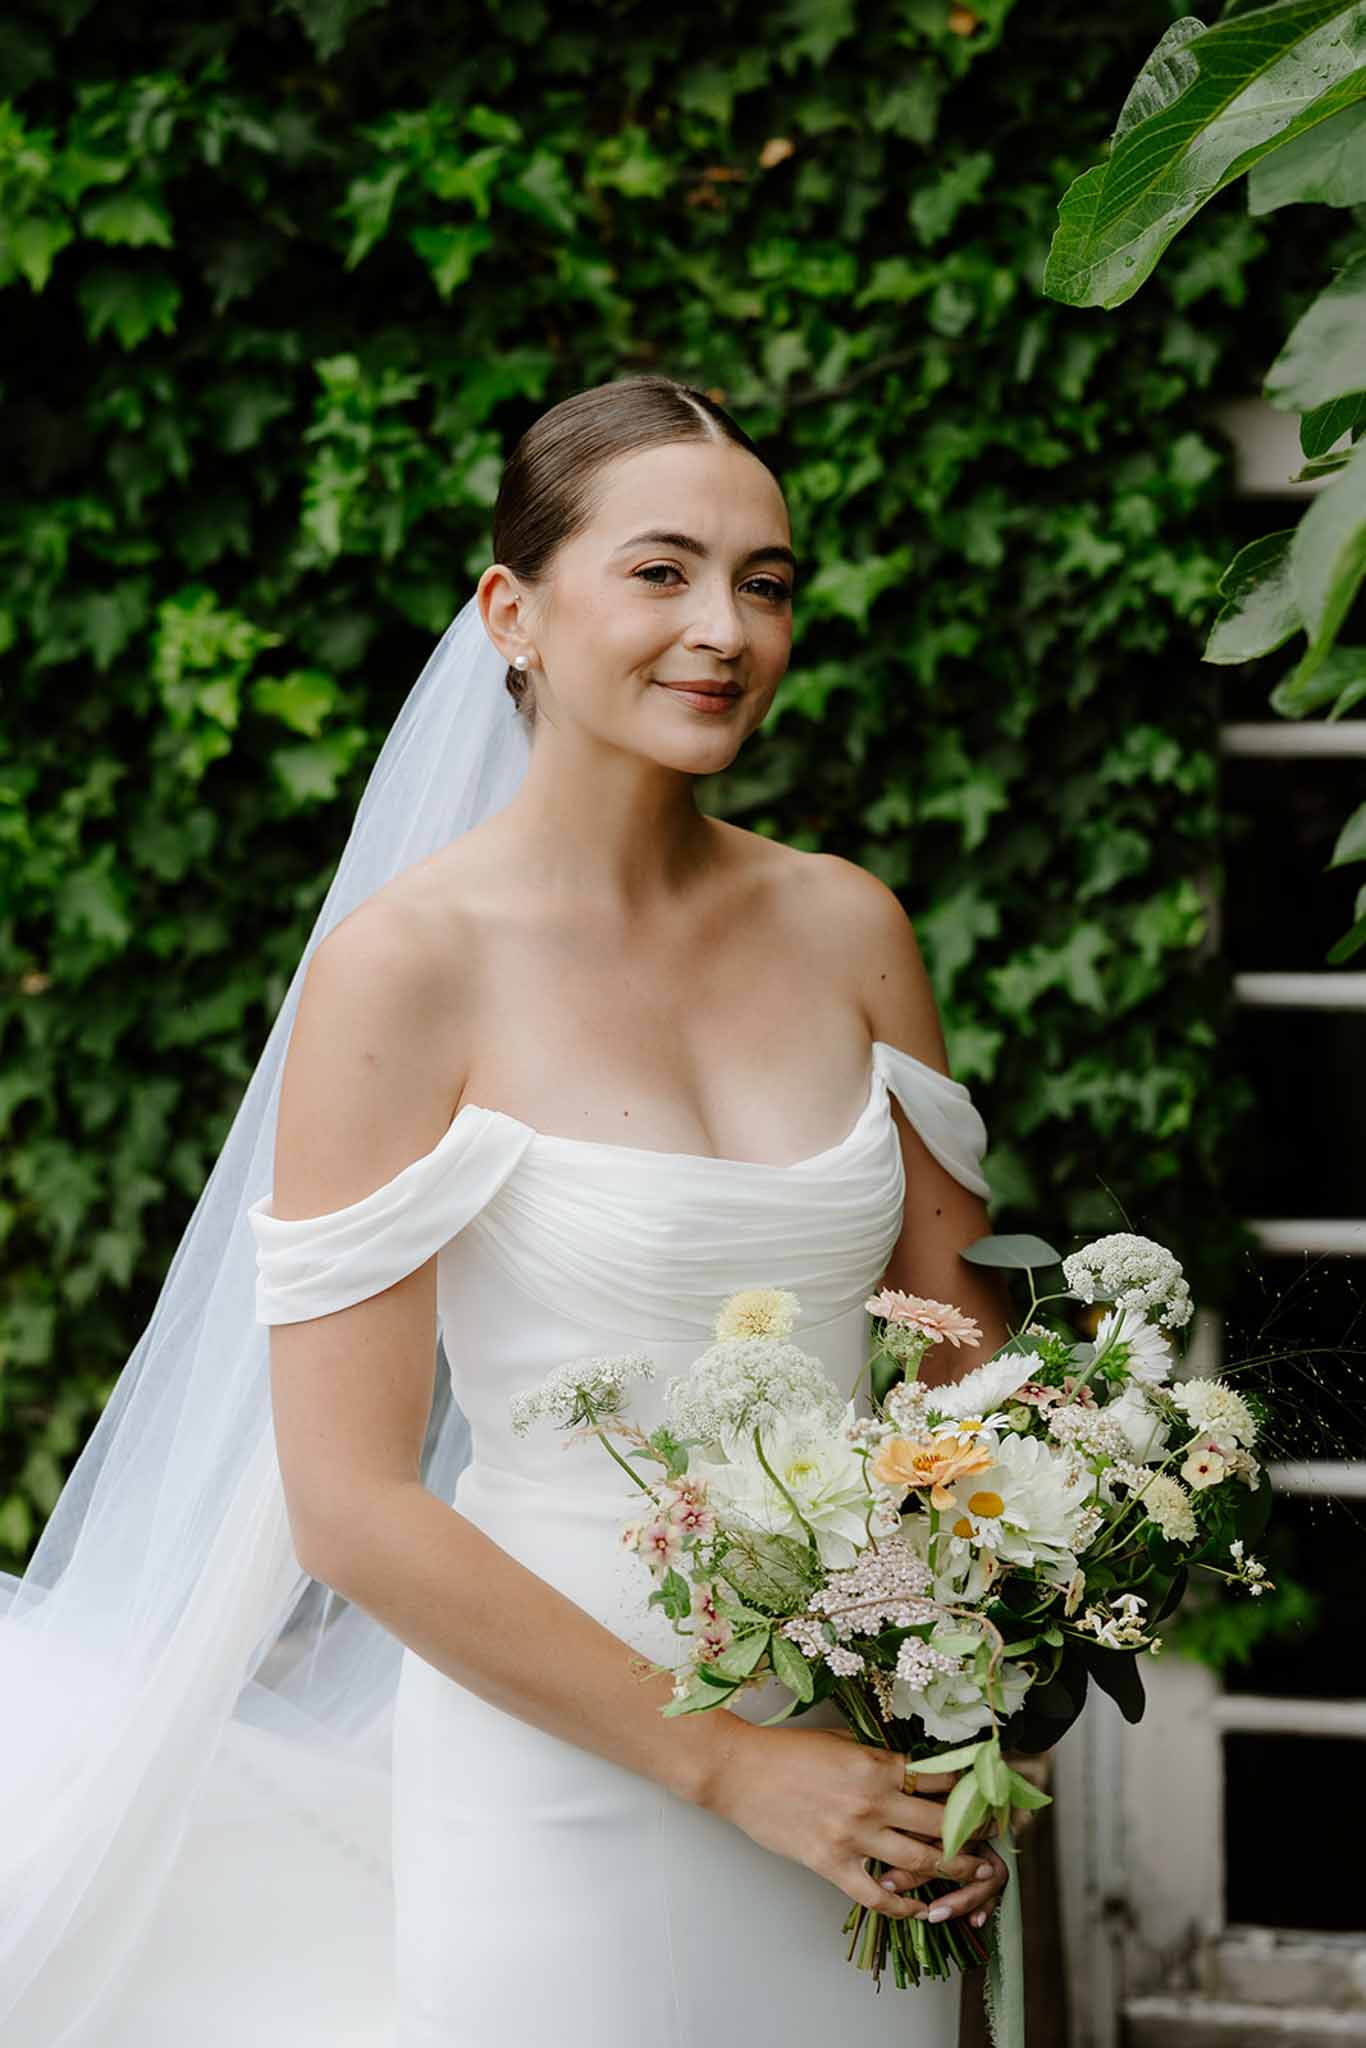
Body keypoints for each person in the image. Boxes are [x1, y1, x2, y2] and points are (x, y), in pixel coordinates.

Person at [0, 374, 1010, 2045]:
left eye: (763, 582)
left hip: (867, 1745)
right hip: (565, 1768)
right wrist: (728, 1764)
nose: (724, 629)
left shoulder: (850, 927)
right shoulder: (407, 967)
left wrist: (989, 1679)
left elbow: (964, 1359)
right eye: (662, 571)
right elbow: (348, 1504)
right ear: (511, 612)